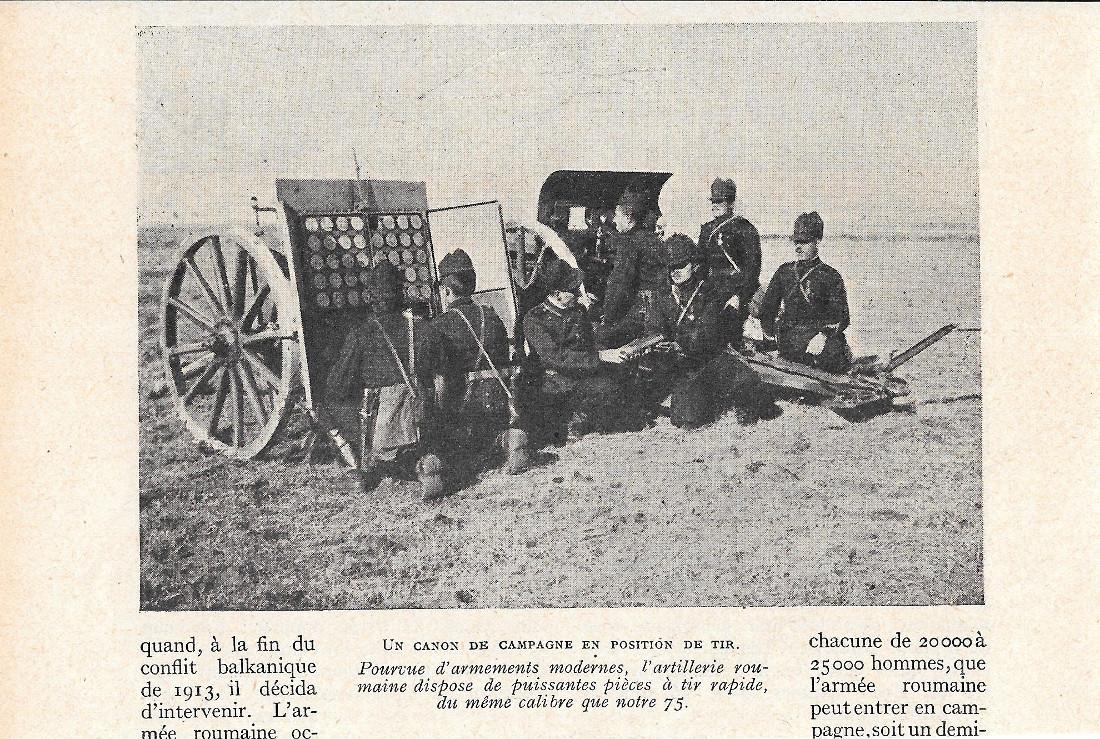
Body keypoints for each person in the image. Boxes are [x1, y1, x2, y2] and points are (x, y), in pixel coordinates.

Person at [323, 262, 448, 498]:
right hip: (421, 420)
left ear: (371, 296)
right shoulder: (424, 328)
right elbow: (441, 376)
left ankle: (358, 471)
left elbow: (337, 387)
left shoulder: (362, 333)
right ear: (401, 294)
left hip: (383, 425)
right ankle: (423, 459)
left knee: (324, 405)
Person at [423, 249, 529, 489]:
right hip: (497, 405)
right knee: (488, 436)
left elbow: (429, 373)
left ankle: (436, 461)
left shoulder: (440, 325)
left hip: (462, 409)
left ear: (446, 290)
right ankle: (506, 439)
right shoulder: (491, 317)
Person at [641, 235, 766, 428]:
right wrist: (661, 346)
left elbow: (707, 332)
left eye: (681, 264)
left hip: (712, 358)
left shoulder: (709, 292)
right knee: (688, 417)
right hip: (682, 365)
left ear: (694, 264)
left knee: (749, 384)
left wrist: (680, 342)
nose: (675, 271)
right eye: (671, 266)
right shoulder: (663, 298)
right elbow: (654, 330)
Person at [520, 259, 638, 444]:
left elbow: (589, 342)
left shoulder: (577, 311)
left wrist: (615, 352)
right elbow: (556, 357)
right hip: (555, 383)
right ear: (556, 293)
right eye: (572, 290)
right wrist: (600, 356)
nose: (578, 293)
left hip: (581, 376)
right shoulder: (535, 319)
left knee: (619, 387)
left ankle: (584, 418)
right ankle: (575, 420)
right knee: (606, 393)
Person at [757, 211, 852, 374]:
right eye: (796, 241)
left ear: (817, 241)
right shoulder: (784, 271)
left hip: (817, 342)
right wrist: (770, 340)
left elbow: (842, 318)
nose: (798, 247)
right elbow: (767, 310)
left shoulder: (830, 276)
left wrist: (823, 336)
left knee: (836, 350)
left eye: (805, 241)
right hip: (789, 341)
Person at [597, 189, 667, 346]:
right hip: (662, 311)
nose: (614, 220)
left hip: (643, 313)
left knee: (598, 339)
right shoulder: (652, 239)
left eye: (617, 215)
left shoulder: (629, 242)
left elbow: (620, 285)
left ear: (628, 218)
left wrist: (607, 318)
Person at [698, 177, 762, 348]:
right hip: (713, 289)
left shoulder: (744, 228)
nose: (715, 205)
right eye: (713, 201)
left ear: (731, 202)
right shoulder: (706, 230)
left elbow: (752, 269)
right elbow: (701, 266)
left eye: (720, 201)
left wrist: (739, 296)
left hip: (737, 289)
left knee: (730, 325)